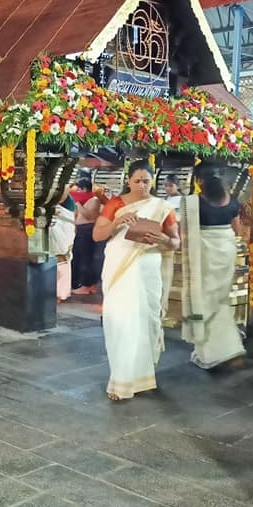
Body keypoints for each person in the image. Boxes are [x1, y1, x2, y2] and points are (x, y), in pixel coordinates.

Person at [93, 160, 180, 401]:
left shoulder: (162, 207)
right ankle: (120, 381)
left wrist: (162, 238)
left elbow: (175, 242)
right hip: (119, 267)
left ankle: (142, 378)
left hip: (147, 269)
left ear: (153, 182)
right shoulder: (115, 204)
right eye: (137, 181)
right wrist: (118, 222)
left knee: (145, 321)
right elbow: (97, 234)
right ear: (128, 181)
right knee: (120, 321)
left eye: (146, 181)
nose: (142, 185)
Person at [179, 162, 246, 370]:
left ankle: (210, 354)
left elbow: (184, 233)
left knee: (204, 300)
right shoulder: (232, 201)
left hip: (205, 251)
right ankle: (230, 348)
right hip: (226, 250)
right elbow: (238, 231)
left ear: (199, 181)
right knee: (219, 300)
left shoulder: (193, 202)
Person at [70, 178, 103, 294]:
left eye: (79, 189)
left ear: (84, 189)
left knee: (85, 258)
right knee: (77, 257)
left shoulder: (94, 200)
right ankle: (78, 283)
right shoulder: (85, 200)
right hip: (80, 230)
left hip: (88, 230)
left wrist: (78, 203)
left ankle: (87, 284)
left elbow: (88, 215)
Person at [52, 192, 77, 301]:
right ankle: (56, 292)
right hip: (57, 227)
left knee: (61, 256)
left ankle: (61, 293)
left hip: (64, 228)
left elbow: (61, 199)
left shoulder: (65, 196)